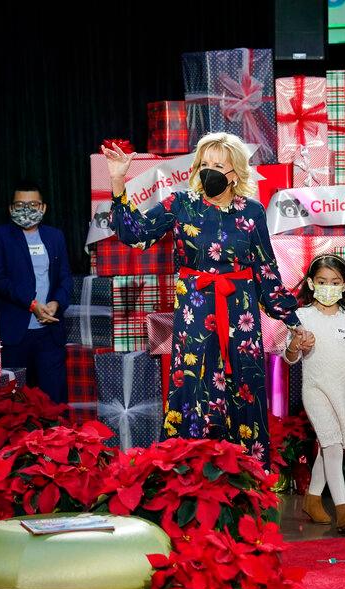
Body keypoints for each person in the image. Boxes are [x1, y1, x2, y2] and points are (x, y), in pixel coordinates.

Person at [101, 132, 314, 464]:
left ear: (235, 173)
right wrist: (118, 180)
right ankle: (192, 478)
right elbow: (135, 234)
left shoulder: (252, 212)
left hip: (240, 314)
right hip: (197, 313)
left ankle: (247, 478)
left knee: (244, 386)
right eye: (204, 164)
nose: (209, 170)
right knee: (195, 387)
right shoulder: (180, 204)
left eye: (218, 164)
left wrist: (294, 321)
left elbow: (266, 271)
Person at [283, 254, 345, 532]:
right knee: (332, 445)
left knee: (331, 444)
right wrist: (297, 344)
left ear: (344, 285)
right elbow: (290, 357)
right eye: (322, 281)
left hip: (342, 393)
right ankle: (343, 509)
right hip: (315, 390)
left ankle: (312, 499)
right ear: (311, 282)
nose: (328, 287)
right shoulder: (302, 317)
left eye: (334, 282)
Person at [0, 180, 71, 404]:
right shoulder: (0, 236)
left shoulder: (55, 236)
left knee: (54, 402)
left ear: (43, 207)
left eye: (33, 204)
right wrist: (31, 305)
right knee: (14, 402)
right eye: (20, 204)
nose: (27, 210)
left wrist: (56, 303)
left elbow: (65, 278)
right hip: (15, 333)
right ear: (11, 208)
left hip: (49, 333)